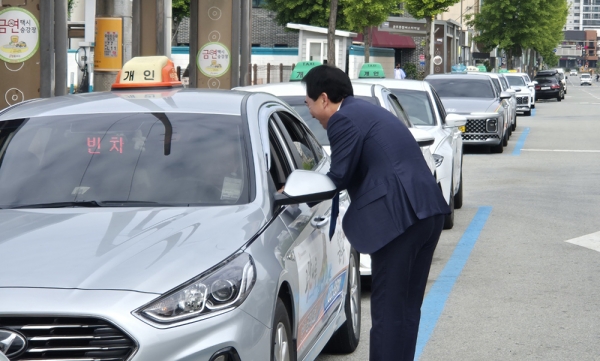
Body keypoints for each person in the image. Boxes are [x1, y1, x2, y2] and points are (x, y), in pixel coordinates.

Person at [301, 65, 449, 361]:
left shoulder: (343, 120)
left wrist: (293, 190)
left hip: (400, 219)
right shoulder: (367, 112)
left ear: (324, 99)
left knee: (388, 311)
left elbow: (338, 176)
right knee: (406, 310)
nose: (311, 113)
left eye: (309, 104)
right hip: (426, 213)